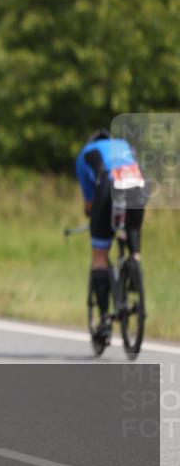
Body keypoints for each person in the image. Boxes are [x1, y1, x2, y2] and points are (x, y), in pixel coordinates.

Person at [75, 128, 146, 343]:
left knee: (99, 256)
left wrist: (95, 219)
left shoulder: (85, 154)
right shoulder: (124, 145)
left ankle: (104, 320)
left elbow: (90, 203)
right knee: (131, 231)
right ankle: (134, 264)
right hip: (136, 181)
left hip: (109, 183)